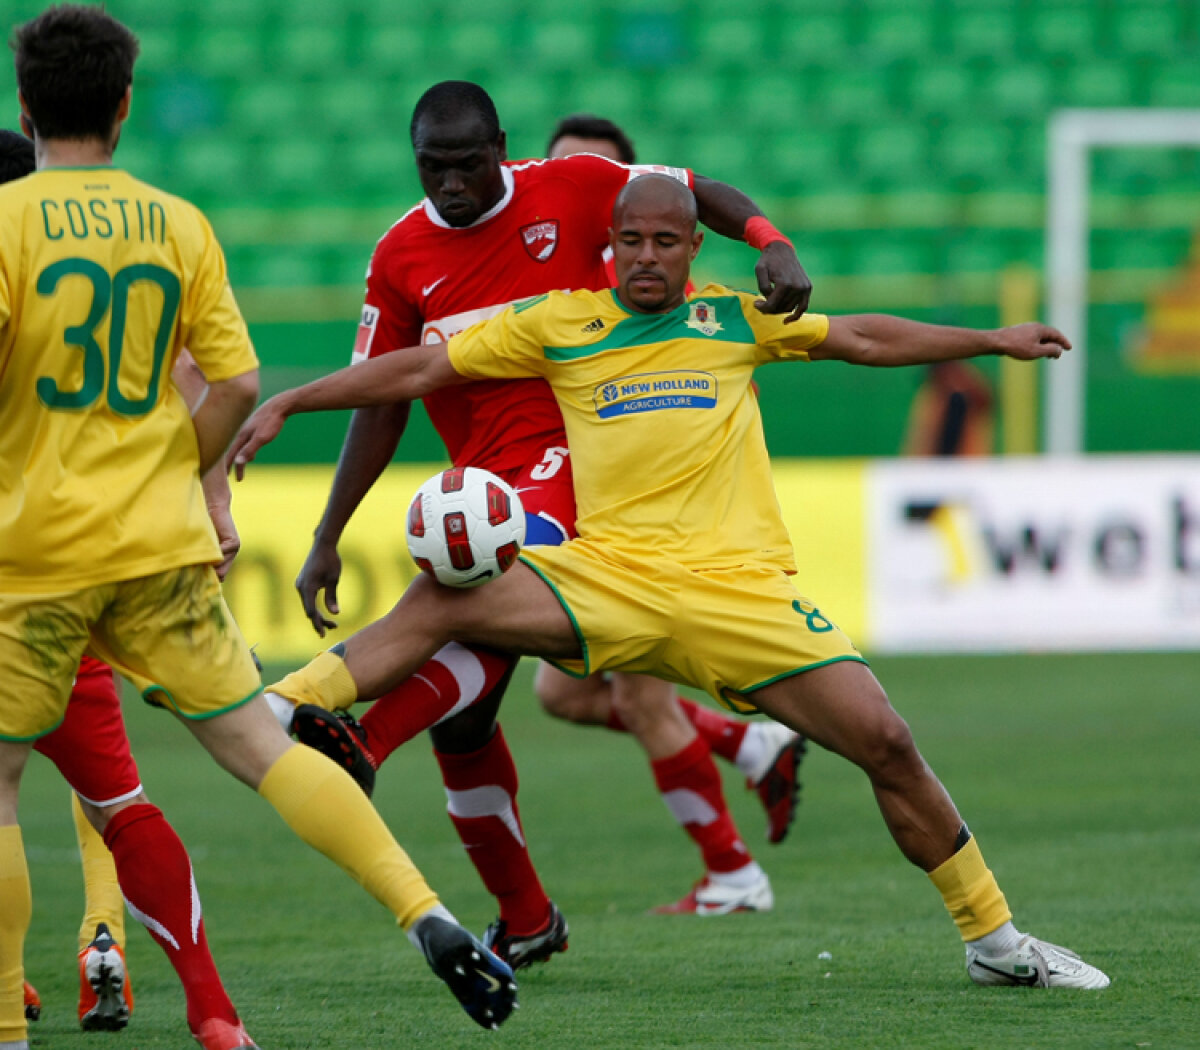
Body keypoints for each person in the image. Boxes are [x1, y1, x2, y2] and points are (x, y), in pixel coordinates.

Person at [231, 173, 1111, 993]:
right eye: (630, 241)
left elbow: (865, 337)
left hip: (743, 595)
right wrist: (290, 400)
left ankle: (995, 942)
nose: (646, 256)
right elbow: (421, 367)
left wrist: (993, 339)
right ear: (607, 245)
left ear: (695, 250)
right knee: (446, 594)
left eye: (665, 241)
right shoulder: (559, 322)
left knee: (886, 740)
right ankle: (281, 708)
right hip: (609, 576)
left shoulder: (734, 322)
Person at [0, 11, 515, 1050]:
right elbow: (236, 383)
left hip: (31, 555)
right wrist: (176, 472)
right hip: (159, 549)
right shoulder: (178, 223)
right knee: (257, 745)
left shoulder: (3, 222)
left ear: (25, 107)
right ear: (124, 104)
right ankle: (424, 908)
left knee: (2, 780)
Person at [275, 80, 812, 954]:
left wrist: (770, 239)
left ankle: (356, 736)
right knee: (469, 719)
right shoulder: (400, 253)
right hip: (481, 479)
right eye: (431, 167)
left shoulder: (574, 188)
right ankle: (528, 919)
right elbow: (385, 400)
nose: (449, 184)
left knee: (471, 612)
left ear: (502, 149)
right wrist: (328, 533)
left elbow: (698, 190)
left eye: (466, 164)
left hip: (577, 466)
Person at [0, 124, 255, 1042]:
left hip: (21, 568)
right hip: (102, 553)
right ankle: (106, 939)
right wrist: (211, 497)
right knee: (111, 788)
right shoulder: (127, 247)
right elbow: (204, 376)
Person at [543, 114, 809, 909]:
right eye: (559, 172)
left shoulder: (662, 292)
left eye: (591, 174)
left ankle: (733, 871)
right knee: (561, 693)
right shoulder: (573, 292)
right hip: (607, 508)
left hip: (677, 525)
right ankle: (753, 743)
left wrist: (771, 238)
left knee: (639, 696)